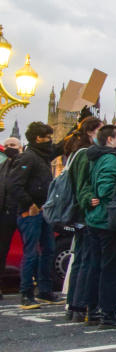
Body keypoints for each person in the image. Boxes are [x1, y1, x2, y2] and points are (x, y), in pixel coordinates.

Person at [84, 124, 116, 328]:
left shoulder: (96, 158)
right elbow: (106, 189)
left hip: (95, 219)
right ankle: (108, 314)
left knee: (95, 267)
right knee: (111, 269)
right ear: (109, 140)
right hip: (107, 222)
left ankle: (93, 310)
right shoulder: (110, 160)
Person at [9, 122, 63, 309]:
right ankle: (26, 294)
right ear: (38, 138)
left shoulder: (42, 156)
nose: (50, 141)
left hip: (43, 211)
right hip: (30, 212)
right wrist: (29, 204)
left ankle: (45, 291)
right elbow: (14, 185)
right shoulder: (28, 158)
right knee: (31, 253)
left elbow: (61, 147)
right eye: (48, 137)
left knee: (48, 251)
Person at [64, 116, 103, 321]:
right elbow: (83, 185)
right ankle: (80, 306)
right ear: (90, 132)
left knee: (79, 259)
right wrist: (89, 200)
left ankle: (73, 305)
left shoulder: (75, 152)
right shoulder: (86, 154)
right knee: (87, 259)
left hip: (77, 214)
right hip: (85, 213)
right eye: (100, 130)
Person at [0, 137, 22, 295]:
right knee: (2, 250)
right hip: (6, 213)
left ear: (20, 147)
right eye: (6, 146)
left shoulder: (27, 163)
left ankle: (28, 287)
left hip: (24, 211)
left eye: (12, 145)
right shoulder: (2, 166)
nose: (9, 148)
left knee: (32, 249)